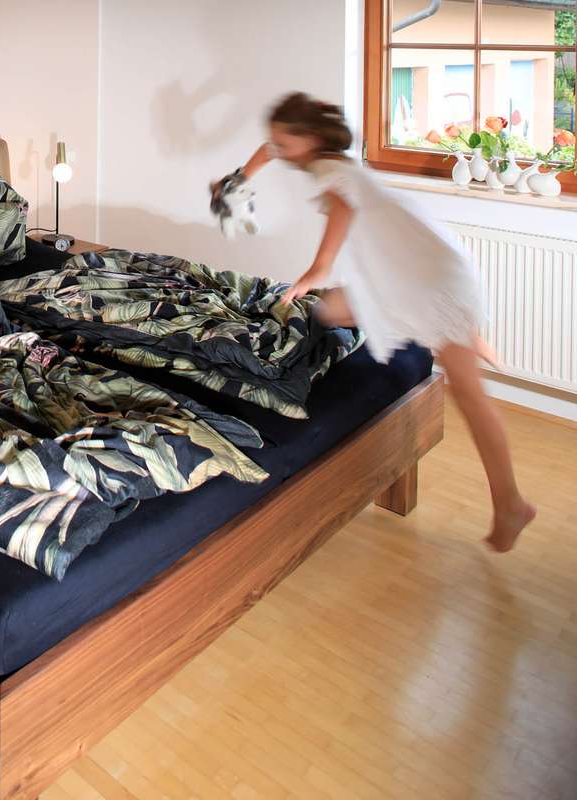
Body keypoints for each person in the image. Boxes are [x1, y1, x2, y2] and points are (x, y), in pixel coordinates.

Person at [216, 91, 535, 552]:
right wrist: (238, 181)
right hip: (423, 267)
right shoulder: (324, 159)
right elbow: (269, 151)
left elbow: (343, 207)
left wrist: (318, 268)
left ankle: (510, 503)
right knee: (331, 311)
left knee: (469, 393)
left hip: (430, 280)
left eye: (286, 144)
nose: (280, 152)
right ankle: (461, 333)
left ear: (310, 140)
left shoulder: (331, 172)